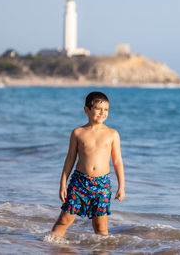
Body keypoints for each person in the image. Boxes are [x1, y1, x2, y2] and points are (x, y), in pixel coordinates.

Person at [50, 91, 125, 237]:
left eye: (106, 110)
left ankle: (102, 251)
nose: (102, 113)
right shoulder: (78, 133)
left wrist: (121, 186)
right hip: (79, 183)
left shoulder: (112, 134)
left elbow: (117, 162)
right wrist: (62, 184)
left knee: (100, 227)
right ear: (87, 110)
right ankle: (50, 246)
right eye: (98, 109)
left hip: (102, 185)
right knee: (64, 220)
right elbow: (70, 159)